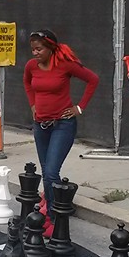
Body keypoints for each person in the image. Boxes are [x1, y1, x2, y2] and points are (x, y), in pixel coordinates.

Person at [23, 29, 98, 222]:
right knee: (46, 170)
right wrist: (32, 104)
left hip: (62, 125)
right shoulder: (31, 66)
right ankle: (51, 205)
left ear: (50, 48)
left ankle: (54, 217)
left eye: (39, 49)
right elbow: (27, 83)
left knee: (51, 172)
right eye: (33, 49)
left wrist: (79, 108)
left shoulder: (65, 65)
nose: (35, 53)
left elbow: (93, 79)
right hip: (40, 125)